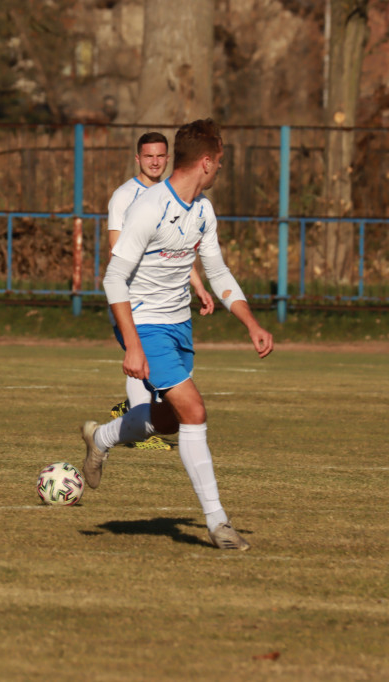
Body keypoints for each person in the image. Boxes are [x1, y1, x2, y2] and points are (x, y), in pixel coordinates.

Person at [82, 119, 273, 551]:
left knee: (166, 419)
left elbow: (218, 272)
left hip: (177, 324)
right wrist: (132, 343)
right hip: (143, 321)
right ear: (206, 162)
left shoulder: (202, 210)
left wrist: (251, 323)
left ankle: (102, 437)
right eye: (219, 161)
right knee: (194, 410)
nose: (220, 168)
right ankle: (218, 522)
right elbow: (114, 279)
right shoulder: (147, 207)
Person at [105, 133, 213, 451]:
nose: (154, 161)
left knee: (167, 383)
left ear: (168, 159)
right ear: (137, 158)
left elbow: (173, 250)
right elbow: (117, 251)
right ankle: (136, 421)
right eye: (148, 156)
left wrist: (198, 285)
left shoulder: (175, 197)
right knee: (144, 362)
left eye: (160, 156)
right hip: (137, 301)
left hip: (171, 306)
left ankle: (133, 419)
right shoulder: (124, 197)